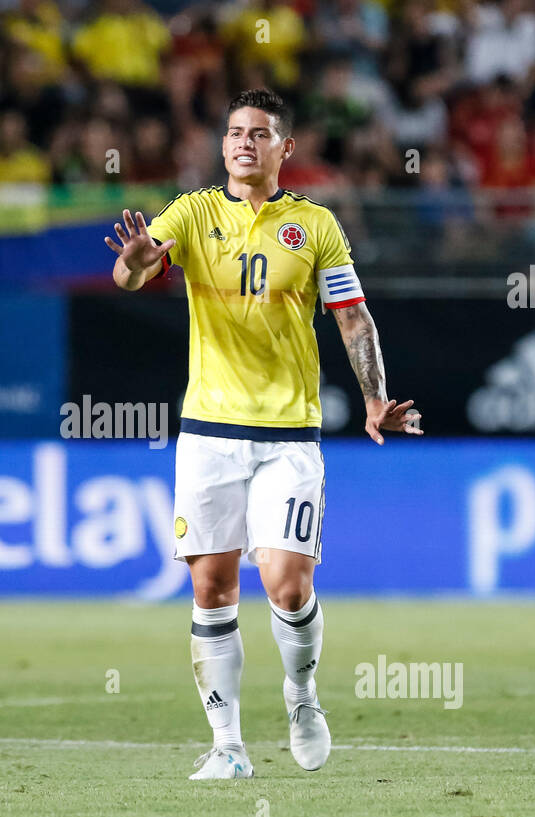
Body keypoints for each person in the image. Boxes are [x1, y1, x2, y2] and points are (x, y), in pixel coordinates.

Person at [103, 89, 421, 780]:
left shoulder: (316, 226)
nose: (245, 141)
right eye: (234, 131)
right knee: (212, 588)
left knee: (285, 583)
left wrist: (374, 397)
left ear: (286, 149)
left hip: (288, 434)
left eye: (260, 132)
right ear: (222, 146)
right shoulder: (191, 212)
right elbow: (134, 272)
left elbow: (353, 319)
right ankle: (228, 746)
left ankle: (301, 695)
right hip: (209, 434)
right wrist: (131, 261)